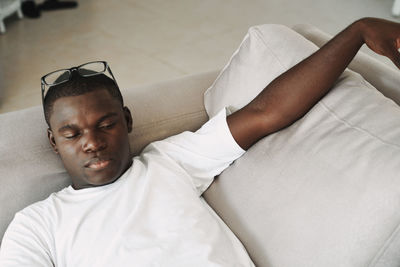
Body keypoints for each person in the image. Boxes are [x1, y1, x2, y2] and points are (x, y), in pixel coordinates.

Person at [0, 17, 399, 266]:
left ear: (126, 121)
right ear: (54, 142)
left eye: (105, 124)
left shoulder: (169, 161)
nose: (91, 143)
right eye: (72, 134)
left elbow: (267, 113)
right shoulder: (37, 226)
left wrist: (357, 32)